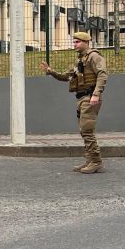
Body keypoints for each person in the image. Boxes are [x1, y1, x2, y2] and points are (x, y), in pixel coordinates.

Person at [41, 31, 108, 173]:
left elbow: (102, 74)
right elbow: (67, 77)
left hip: (90, 97)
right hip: (82, 98)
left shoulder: (94, 56)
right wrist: (50, 71)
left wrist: (96, 94)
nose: (74, 44)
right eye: (74, 41)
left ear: (85, 42)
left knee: (87, 130)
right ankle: (90, 160)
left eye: (77, 42)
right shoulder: (80, 60)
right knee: (84, 131)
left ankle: (96, 161)